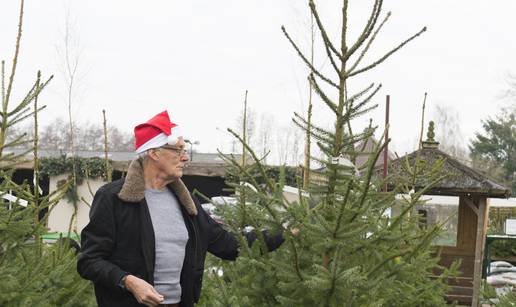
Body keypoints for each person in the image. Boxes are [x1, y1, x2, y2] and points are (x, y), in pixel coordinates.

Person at [77, 110, 284, 307]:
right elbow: (89, 261)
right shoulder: (114, 198)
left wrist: (285, 232)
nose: (185, 157)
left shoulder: (187, 204)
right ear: (154, 152)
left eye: (185, 150)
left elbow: (230, 245)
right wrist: (129, 281)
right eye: (179, 150)